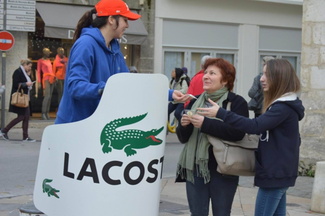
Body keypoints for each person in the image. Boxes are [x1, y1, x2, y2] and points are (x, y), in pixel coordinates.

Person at [197, 59, 305, 216]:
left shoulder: (282, 107)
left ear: (279, 77)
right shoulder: (282, 106)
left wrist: (221, 113)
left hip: (275, 174)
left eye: (267, 74)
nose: (261, 78)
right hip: (277, 173)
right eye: (262, 74)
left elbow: (254, 126)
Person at [55, 0, 188, 124]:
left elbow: (130, 84)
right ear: (111, 20)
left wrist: (168, 94)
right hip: (73, 127)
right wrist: (109, 88)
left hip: (94, 125)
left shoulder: (114, 50)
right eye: (125, 20)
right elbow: (76, 87)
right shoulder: (86, 44)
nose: (127, 25)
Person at [175, 58, 249, 216]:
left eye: (212, 73)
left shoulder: (236, 102)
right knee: (197, 213)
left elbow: (238, 132)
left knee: (221, 213)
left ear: (225, 80)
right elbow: (183, 138)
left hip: (223, 168)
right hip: (195, 168)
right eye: (206, 72)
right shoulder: (195, 101)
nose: (206, 76)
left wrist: (205, 123)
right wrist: (184, 124)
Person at [0, 59, 36, 142]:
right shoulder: (18, 72)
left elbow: (27, 83)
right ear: (25, 65)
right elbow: (16, 84)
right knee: (22, 117)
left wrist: (28, 78)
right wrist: (26, 84)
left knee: (26, 117)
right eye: (29, 66)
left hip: (25, 98)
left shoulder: (25, 73)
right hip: (20, 98)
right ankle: (4, 130)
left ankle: (25, 137)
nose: (30, 68)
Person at [37, 47, 55, 120]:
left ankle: (47, 112)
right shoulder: (40, 61)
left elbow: (51, 70)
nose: (49, 54)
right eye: (48, 53)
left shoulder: (48, 60)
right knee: (46, 96)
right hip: (46, 79)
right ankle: (43, 113)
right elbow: (38, 72)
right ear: (44, 53)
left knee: (50, 97)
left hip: (52, 79)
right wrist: (39, 82)